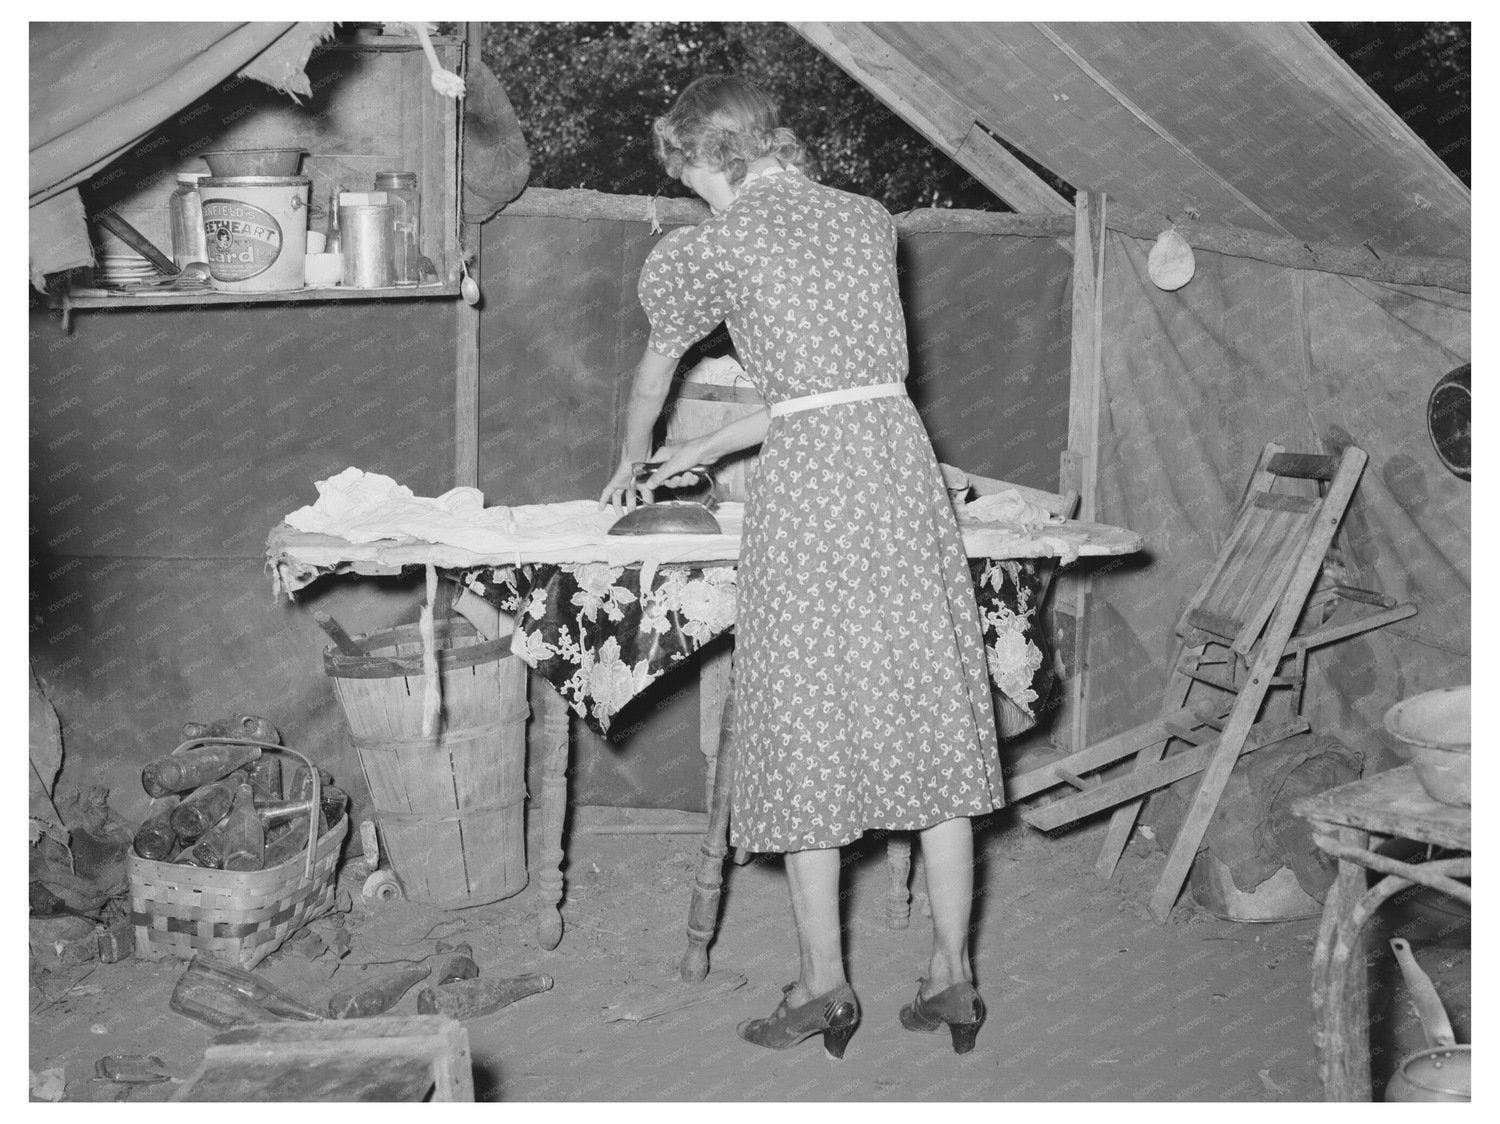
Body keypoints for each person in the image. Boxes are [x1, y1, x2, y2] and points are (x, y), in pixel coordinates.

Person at [600, 75, 1003, 1059]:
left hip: (814, 491)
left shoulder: (713, 244)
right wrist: (710, 449)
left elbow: (659, 370)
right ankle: (954, 974)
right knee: (930, 717)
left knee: (804, 725)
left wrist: (631, 456)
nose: (690, 189)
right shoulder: (868, 218)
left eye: (689, 170)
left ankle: (824, 983)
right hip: (898, 470)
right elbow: (839, 381)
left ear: (715, 154)